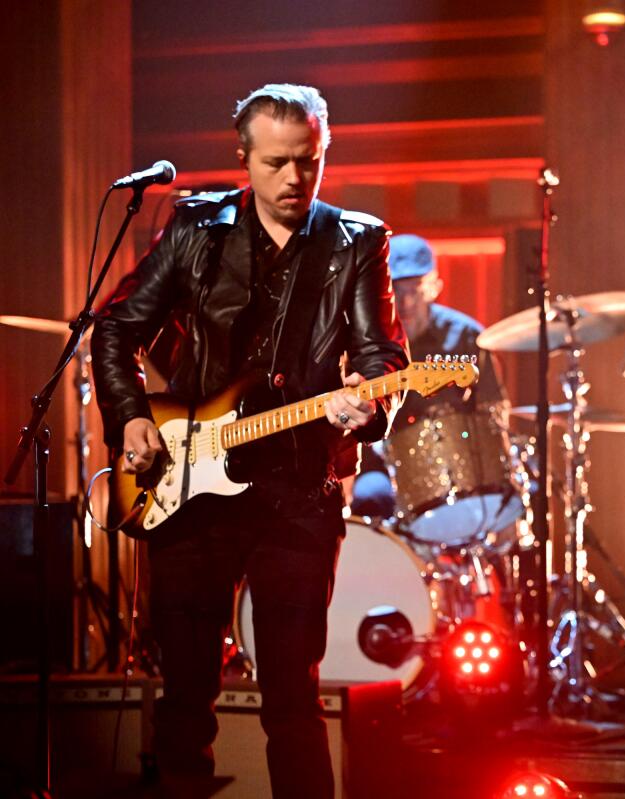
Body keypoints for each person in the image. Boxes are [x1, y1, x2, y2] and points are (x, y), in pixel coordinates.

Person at [92, 83, 408, 797]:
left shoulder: (356, 240)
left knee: (292, 701)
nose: (295, 179)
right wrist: (131, 417)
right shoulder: (195, 231)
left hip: (296, 492)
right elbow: (116, 327)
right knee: (184, 697)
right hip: (189, 486)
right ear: (244, 158)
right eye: (276, 163)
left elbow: (382, 355)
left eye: (309, 160)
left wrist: (368, 405)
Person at [350, 234, 507, 518]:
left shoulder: (467, 336)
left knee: (503, 502)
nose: (407, 300)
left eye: (416, 288)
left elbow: (492, 411)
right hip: (386, 464)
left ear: (435, 287)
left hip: (458, 459)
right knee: (367, 498)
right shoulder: (367, 339)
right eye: (397, 289)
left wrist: (501, 477)